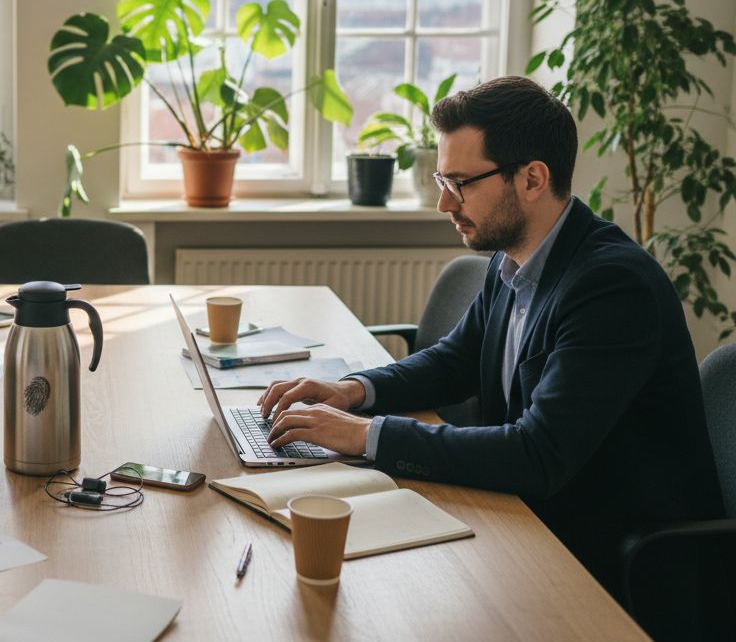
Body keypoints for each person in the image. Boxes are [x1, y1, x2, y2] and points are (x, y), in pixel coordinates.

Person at [256, 76, 722, 596]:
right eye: (442, 180)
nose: (443, 204)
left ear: (532, 179)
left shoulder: (612, 287)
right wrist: (352, 391)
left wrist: (364, 435)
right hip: (527, 520)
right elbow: (454, 361)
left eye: (459, 184)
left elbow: (537, 454)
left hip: (617, 564)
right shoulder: (514, 259)